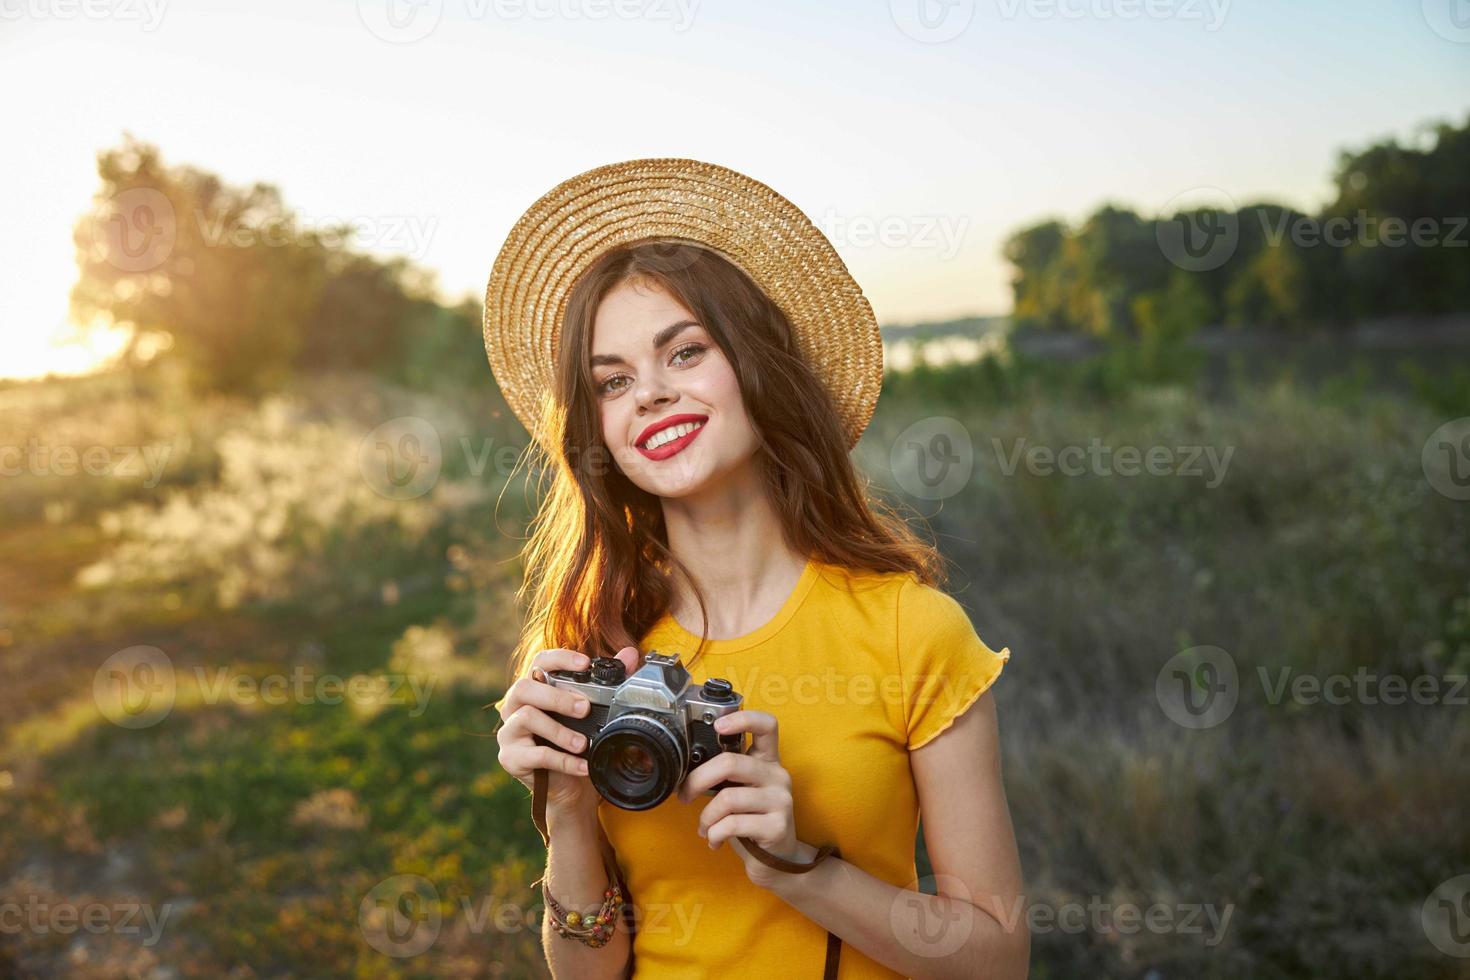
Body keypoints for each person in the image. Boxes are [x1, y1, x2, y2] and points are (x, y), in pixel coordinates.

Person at [487, 158, 1028, 979]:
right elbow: (588, 973)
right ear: (598, 429)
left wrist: (794, 865)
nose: (650, 395)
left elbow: (997, 961)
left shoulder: (910, 630)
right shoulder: (602, 649)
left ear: (755, 368)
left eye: (686, 352)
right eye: (613, 381)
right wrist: (564, 808)